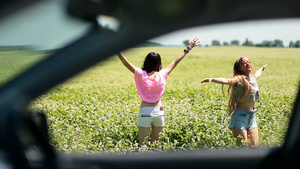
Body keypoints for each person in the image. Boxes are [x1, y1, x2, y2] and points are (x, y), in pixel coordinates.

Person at [118, 37, 200, 147]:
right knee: (156, 146)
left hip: (145, 112)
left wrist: (115, 50)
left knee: (143, 146)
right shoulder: (162, 74)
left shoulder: (140, 74)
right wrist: (188, 48)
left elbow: (126, 63)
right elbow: (176, 61)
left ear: (146, 61)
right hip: (159, 111)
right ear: (159, 63)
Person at [201, 57, 267, 148]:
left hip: (252, 116)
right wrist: (212, 79)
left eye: (248, 62)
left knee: (255, 146)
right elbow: (227, 81)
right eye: (243, 64)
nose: (247, 64)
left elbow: (257, 74)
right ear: (239, 69)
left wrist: (262, 68)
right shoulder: (238, 79)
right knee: (243, 148)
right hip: (240, 117)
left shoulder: (253, 78)